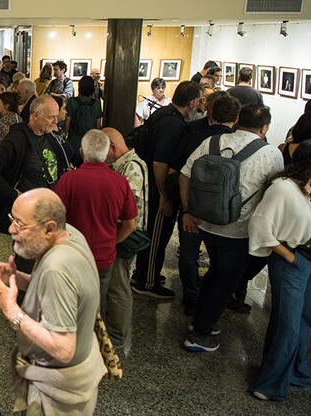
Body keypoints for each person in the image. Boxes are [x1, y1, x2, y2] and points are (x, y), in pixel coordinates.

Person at [0, 188, 105, 414]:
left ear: (49, 228)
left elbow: (63, 349)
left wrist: (12, 310)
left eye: (20, 224)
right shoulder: (71, 234)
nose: (11, 229)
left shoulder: (56, 268)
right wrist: (19, 279)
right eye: (13, 219)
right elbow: (62, 293)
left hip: (56, 392)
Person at [180, 104, 284, 352]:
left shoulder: (212, 142)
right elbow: (276, 192)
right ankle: (200, 336)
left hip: (204, 222)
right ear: (265, 127)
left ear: (237, 120)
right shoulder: (270, 154)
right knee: (225, 282)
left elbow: (185, 174)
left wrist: (187, 211)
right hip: (239, 230)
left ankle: (200, 321)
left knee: (216, 273)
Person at [248, 139, 311, 402]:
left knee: (306, 319)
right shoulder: (282, 189)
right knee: (288, 325)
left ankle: (293, 370)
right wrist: (291, 257)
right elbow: (260, 227)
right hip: (292, 261)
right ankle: (269, 383)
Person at [54, 129, 137, 325]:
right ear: (108, 153)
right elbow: (130, 225)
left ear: (82, 152)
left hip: (73, 254)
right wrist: (111, 241)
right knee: (96, 306)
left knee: (69, 303)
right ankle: (95, 346)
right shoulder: (120, 182)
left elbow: (53, 217)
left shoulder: (69, 180)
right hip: (103, 257)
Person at [131, 81, 201, 299]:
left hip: (151, 184)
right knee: (157, 236)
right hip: (157, 188)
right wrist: (163, 195)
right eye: (198, 101)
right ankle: (147, 281)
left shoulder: (164, 114)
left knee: (155, 234)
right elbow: (160, 162)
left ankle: (145, 272)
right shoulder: (174, 124)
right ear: (191, 102)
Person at [171, 93, 240, 315]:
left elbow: (180, 173)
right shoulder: (240, 144)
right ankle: (216, 298)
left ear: (210, 112)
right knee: (221, 259)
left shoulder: (195, 136)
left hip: (193, 207)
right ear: (236, 117)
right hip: (226, 212)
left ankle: (191, 296)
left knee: (189, 253)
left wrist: (186, 209)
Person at [0, 95, 71, 234]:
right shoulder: (17, 139)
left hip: (45, 212)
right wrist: (13, 194)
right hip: (23, 218)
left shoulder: (49, 135)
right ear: (35, 116)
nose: (56, 121)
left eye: (56, 116)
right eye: (51, 117)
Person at [105, 127, 148, 354]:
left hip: (125, 234)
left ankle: (117, 337)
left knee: (118, 286)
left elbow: (126, 209)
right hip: (119, 232)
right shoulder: (122, 164)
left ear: (112, 147)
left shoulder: (132, 167)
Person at [64, 75, 103, 166]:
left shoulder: (71, 102)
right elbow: (98, 128)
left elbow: (66, 126)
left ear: (79, 87)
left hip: (74, 144)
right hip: (90, 146)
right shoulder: (96, 103)